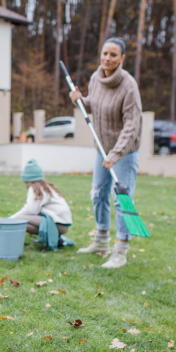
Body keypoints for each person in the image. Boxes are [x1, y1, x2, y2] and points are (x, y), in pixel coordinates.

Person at [69, 37, 142, 268]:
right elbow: (96, 104)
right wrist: (80, 101)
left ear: (122, 58)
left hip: (124, 152)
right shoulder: (96, 78)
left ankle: (120, 249)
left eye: (113, 55)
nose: (107, 58)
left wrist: (116, 153)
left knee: (122, 198)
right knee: (98, 193)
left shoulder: (129, 85)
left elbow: (132, 125)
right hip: (102, 148)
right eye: (104, 53)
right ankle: (101, 240)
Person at [10, 159, 72, 249]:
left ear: (27, 180)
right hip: (63, 225)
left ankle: (52, 238)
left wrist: (11, 219)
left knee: (19, 220)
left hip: (58, 225)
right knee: (24, 223)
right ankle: (54, 239)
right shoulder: (46, 187)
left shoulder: (35, 189)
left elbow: (30, 210)